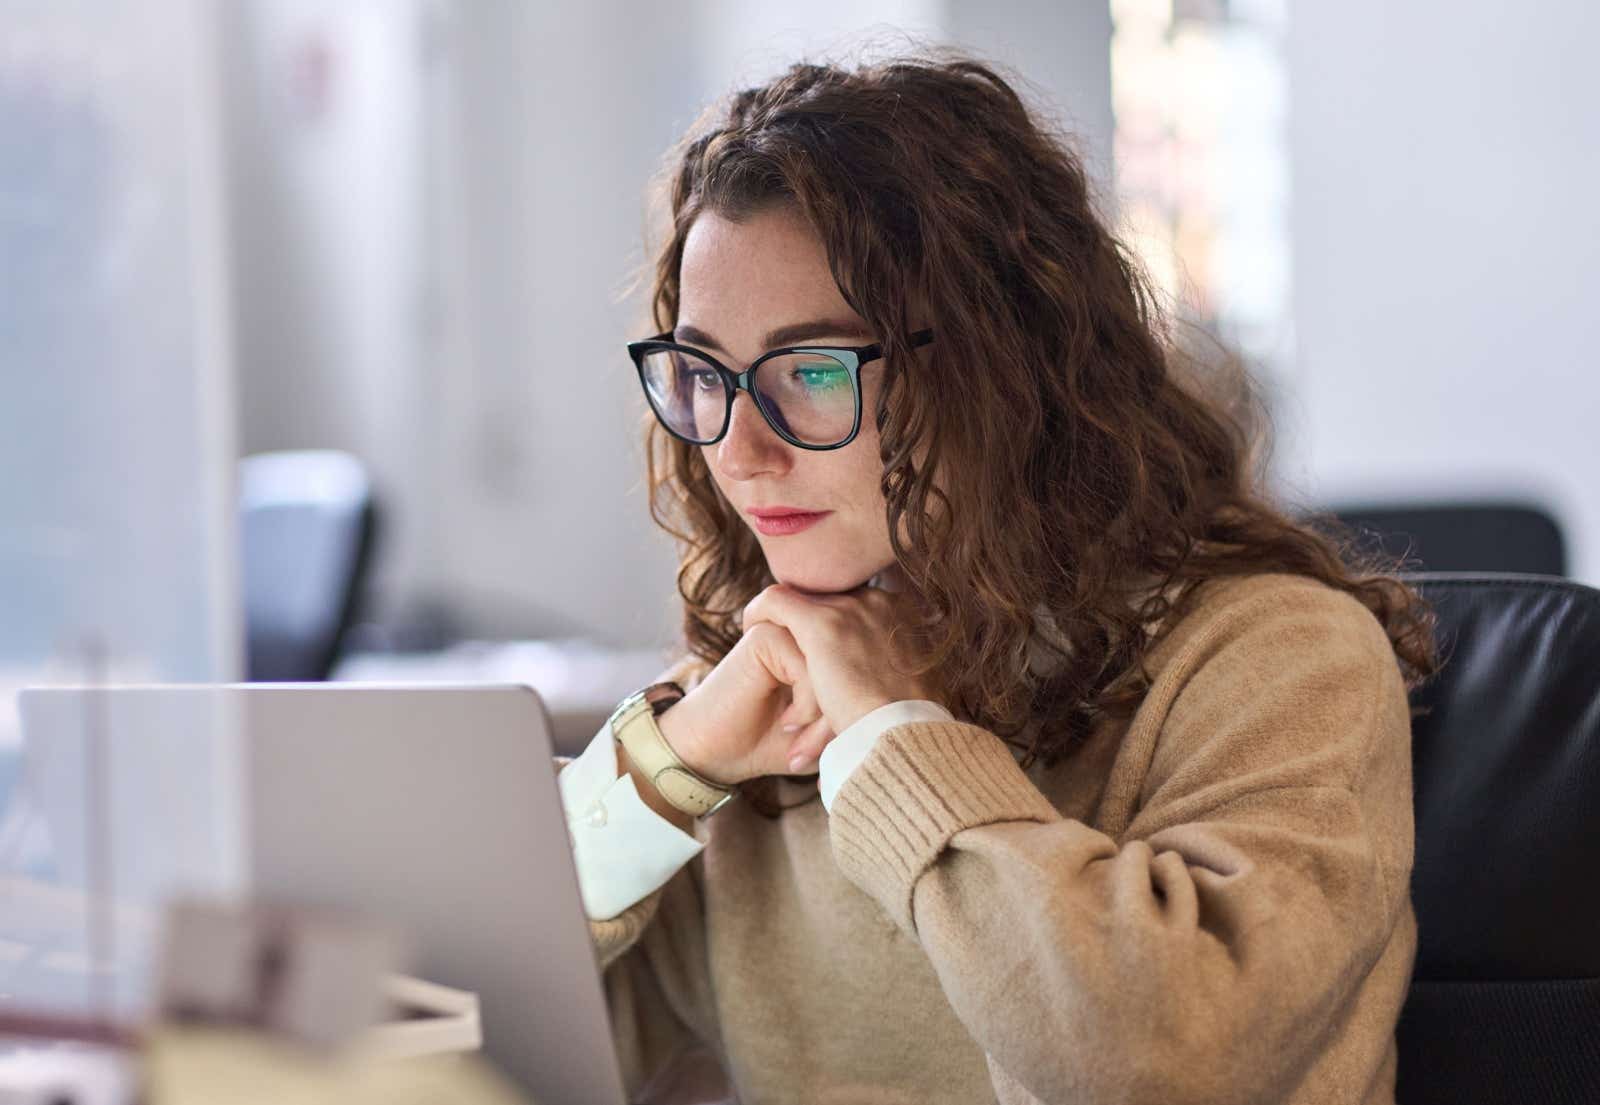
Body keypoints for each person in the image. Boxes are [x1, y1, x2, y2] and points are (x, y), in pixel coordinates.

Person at [555, 47, 1440, 1105]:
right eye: (704, 374)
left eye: (815, 371)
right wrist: (664, 766)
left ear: (1000, 370)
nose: (739, 449)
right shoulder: (763, 700)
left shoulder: (1280, 659)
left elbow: (1147, 1059)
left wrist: (892, 734)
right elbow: (435, 1033)